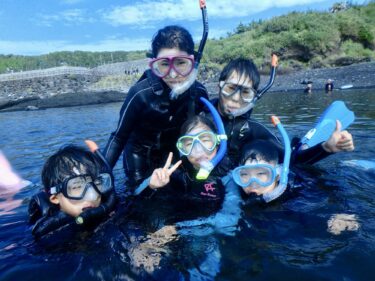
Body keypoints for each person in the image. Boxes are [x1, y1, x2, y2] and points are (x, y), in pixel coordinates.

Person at [103, 25, 208, 192]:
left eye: (181, 63)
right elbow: (118, 137)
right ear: (154, 64)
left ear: (192, 62)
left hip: (173, 153)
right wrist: (100, 175)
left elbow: (209, 127)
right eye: (165, 64)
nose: (173, 74)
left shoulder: (199, 93)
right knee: (139, 199)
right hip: (139, 155)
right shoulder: (140, 94)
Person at [209, 58, 354, 168]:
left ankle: (299, 146)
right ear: (219, 87)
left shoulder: (253, 131)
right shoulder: (197, 115)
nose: (235, 98)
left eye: (246, 92)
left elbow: (291, 161)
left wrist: (326, 148)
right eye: (230, 88)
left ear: (253, 97)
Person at [134, 115, 229, 206]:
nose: (198, 150)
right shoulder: (175, 171)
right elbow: (134, 198)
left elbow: (232, 213)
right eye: (189, 144)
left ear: (217, 142)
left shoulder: (228, 173)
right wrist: (151, 186)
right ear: (182, 149)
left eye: (205, 140)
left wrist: (183, 224)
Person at [28, 145, 116, 238]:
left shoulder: (115, 211)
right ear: (55, 198)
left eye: (97, 184)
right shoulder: (48, 234)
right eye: (77, 186)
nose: (92, 195)